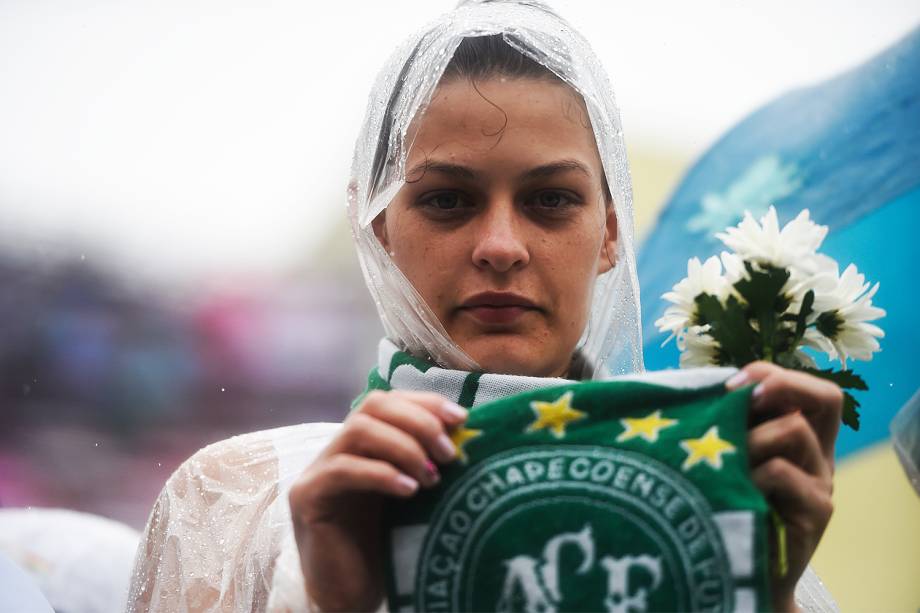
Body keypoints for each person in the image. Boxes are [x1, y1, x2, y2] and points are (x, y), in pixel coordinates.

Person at [127, 2, 841, 611]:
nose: (501, 245)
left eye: (550, 200)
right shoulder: (236, 500)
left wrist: (752, 591)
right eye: (447, 200)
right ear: (378, 230)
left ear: (610, 232)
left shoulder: (735, 516)